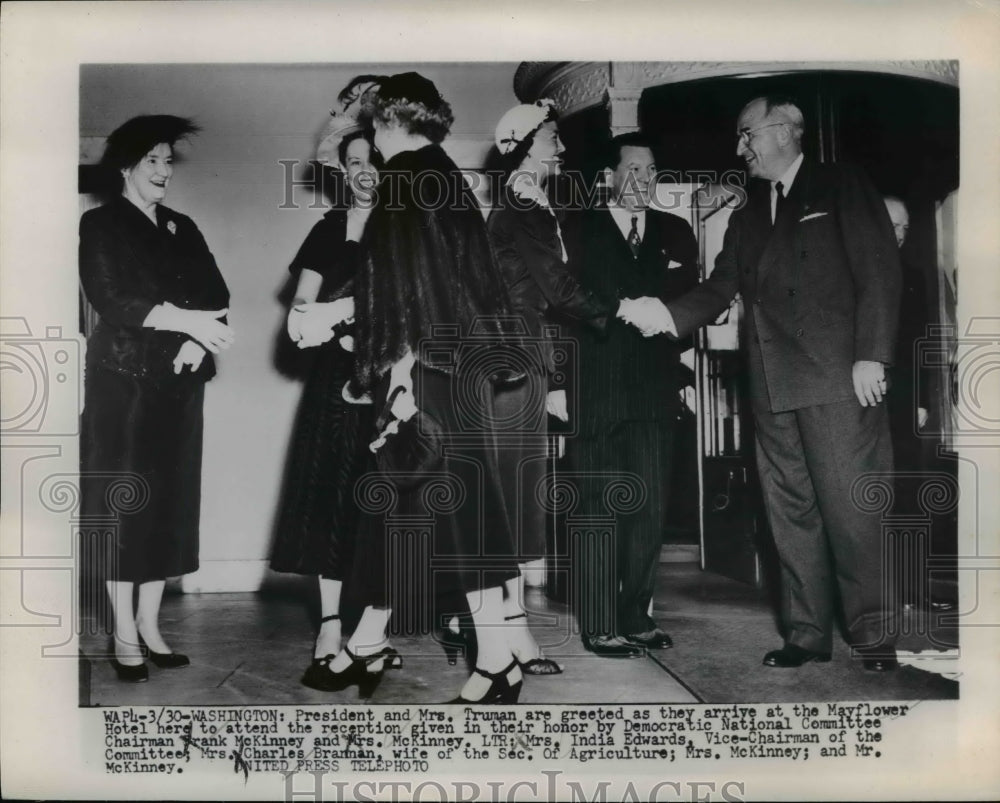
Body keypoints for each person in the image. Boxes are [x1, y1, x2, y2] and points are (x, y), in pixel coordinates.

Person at [652, 96, 903, 671]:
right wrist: (665, 316)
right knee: (790, 514)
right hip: (771, 384)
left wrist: (873, 356)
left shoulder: (840, 184)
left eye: (748, 135)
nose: (740, 149)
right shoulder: (746, 215)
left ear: (786, 131)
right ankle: (806, 634)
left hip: (840, 379)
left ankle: (874, 634)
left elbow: (879, 269)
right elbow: (719, 288)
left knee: (853, 508)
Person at [320, 72, 524, 703]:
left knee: (446, 513)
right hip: (461, 368)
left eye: (370, 124)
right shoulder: (446, 175)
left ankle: (495, 663)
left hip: (426, 373)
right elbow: (467, 285)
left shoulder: (403, 181)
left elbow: (404, 293)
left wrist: (398, 379)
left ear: (386, 123)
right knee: (418, 510)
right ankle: (369, 642)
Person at [79, 115, 233, 682]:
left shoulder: (182, 226)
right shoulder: (101, 224)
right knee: (125, 505)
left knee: (169, 504)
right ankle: (122, 632)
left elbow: (216, 293)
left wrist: (196, 342)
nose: (165, 171)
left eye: (169, 161)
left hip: (178, 383)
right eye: (153, 161)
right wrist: (185, 321)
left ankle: (148, 626)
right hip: (123, 383)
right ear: (126, 166)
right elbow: (111, 297)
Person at [269, 115, 402, 690]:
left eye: (373, 160)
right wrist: (323, 317)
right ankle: (329, 626)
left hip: (395, 383)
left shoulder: (409, 228)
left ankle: (374, 631)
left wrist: (351, 315)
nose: (365, 172)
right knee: (331, 502)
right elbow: (302, 308)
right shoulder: (329, 228)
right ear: (341, 174)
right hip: (335, 385)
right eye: (353, 163)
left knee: (390, 504)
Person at [562, 132, 700, 657]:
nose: (643, 182)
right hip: (594, 387)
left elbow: (688, 304)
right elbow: (558, 307)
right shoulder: (576, 228)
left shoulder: (676, 231)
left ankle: (637, 616)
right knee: (596, 506)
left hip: (654, 390)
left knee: (649, 507)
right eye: (633, 170)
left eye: (651, 171)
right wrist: (556, 383)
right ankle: (598, 622)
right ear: (609, 177)